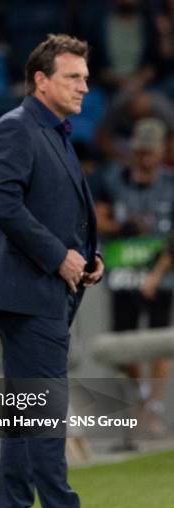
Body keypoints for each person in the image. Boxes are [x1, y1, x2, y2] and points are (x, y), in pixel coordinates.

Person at [0, 34, 118, 508]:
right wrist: (59, 256)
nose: (85, 85)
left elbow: (56, 207)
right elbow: (3, 203)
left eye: (84, 76)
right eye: (73, 77)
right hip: (26, 289)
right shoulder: (16, 128)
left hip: (42, 287)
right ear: (41, 80)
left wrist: (86, 255)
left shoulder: (53, 131)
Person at [96, 118, 174, 435]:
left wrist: (156, 275)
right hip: (123, 273)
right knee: (122, 345)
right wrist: (119, 228)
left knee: (158, 343)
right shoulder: (113, 179)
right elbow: (98, 217)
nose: (145, 159)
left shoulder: (170, 184)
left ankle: (152, 408)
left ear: (161, 152)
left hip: (160, 276)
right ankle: (139, 397)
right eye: (140, 152)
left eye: (151, 152)